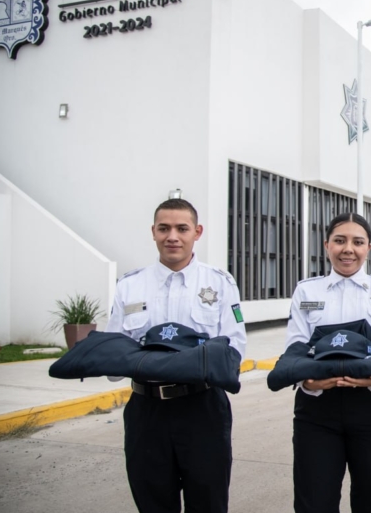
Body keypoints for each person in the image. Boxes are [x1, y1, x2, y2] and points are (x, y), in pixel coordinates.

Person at [106, 198, 246, 513]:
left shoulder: (219, 283)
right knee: (152, 502)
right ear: (153, 232)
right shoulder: (130, 286)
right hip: (147, 411)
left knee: (208, 503)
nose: (173, 236)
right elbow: (115, 354)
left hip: (203, 408)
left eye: (182, 228)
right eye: (164, 228)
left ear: (197, 232)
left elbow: (234, 346)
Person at [285, 212, 371, 513]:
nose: (348, 249)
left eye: (357, 242)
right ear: (326, 245)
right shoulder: (307, 291)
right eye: (339, 241)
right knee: (314, 502)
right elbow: (295, 345)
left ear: (369, 247)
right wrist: (308, 380)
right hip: (317, 410)